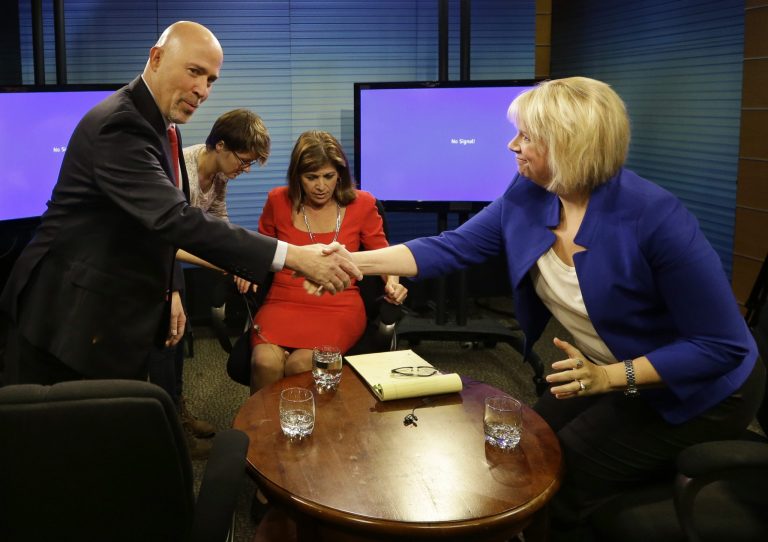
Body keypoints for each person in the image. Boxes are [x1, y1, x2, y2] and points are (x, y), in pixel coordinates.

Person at [320, 77, 765, 540]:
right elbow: (452, 247)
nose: (512, 144)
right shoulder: (531, 193)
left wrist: (612, 377)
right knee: (523, 444)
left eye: (527, 136)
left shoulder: (656, 219)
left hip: (700, 391)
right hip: (604, 370)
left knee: (559, 473)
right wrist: (352, 262)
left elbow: (722, 345)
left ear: (569, 144)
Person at [0, 21, 359, 387]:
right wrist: (296, 256)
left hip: (110, 308)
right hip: (65, 315)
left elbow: (155, 223)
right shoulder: (121, 126)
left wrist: (169, 287)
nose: (202, 90)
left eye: (211, 80)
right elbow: (175, 218)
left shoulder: (163, 125)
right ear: (156, 58)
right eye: (194, 72)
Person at [150, 108, 272, 457]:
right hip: (153, 268)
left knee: (177, 342)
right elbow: (164, 240)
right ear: (220, 145)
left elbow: (218, 220)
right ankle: (170, 437)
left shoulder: (218, 176)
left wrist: (237, 261)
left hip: (172, 271)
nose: (244, 169)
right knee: (163, 346)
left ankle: (177, 412)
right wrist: (219, 263)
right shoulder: (177, 170)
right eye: (243, 160)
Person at [249, 130, 407, 394]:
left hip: (338, 303)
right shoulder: (278, 200)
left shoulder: (363, 204)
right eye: (311, 177)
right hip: (284, 300)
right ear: (297, 177)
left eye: (328, 176)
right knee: (263, 362)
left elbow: (383, 255)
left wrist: (393, 283)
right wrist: (246, 268)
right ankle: (261, 432)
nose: (320, 186)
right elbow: (262, 249)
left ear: (340, 175)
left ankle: (312, 432)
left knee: (302, 364)